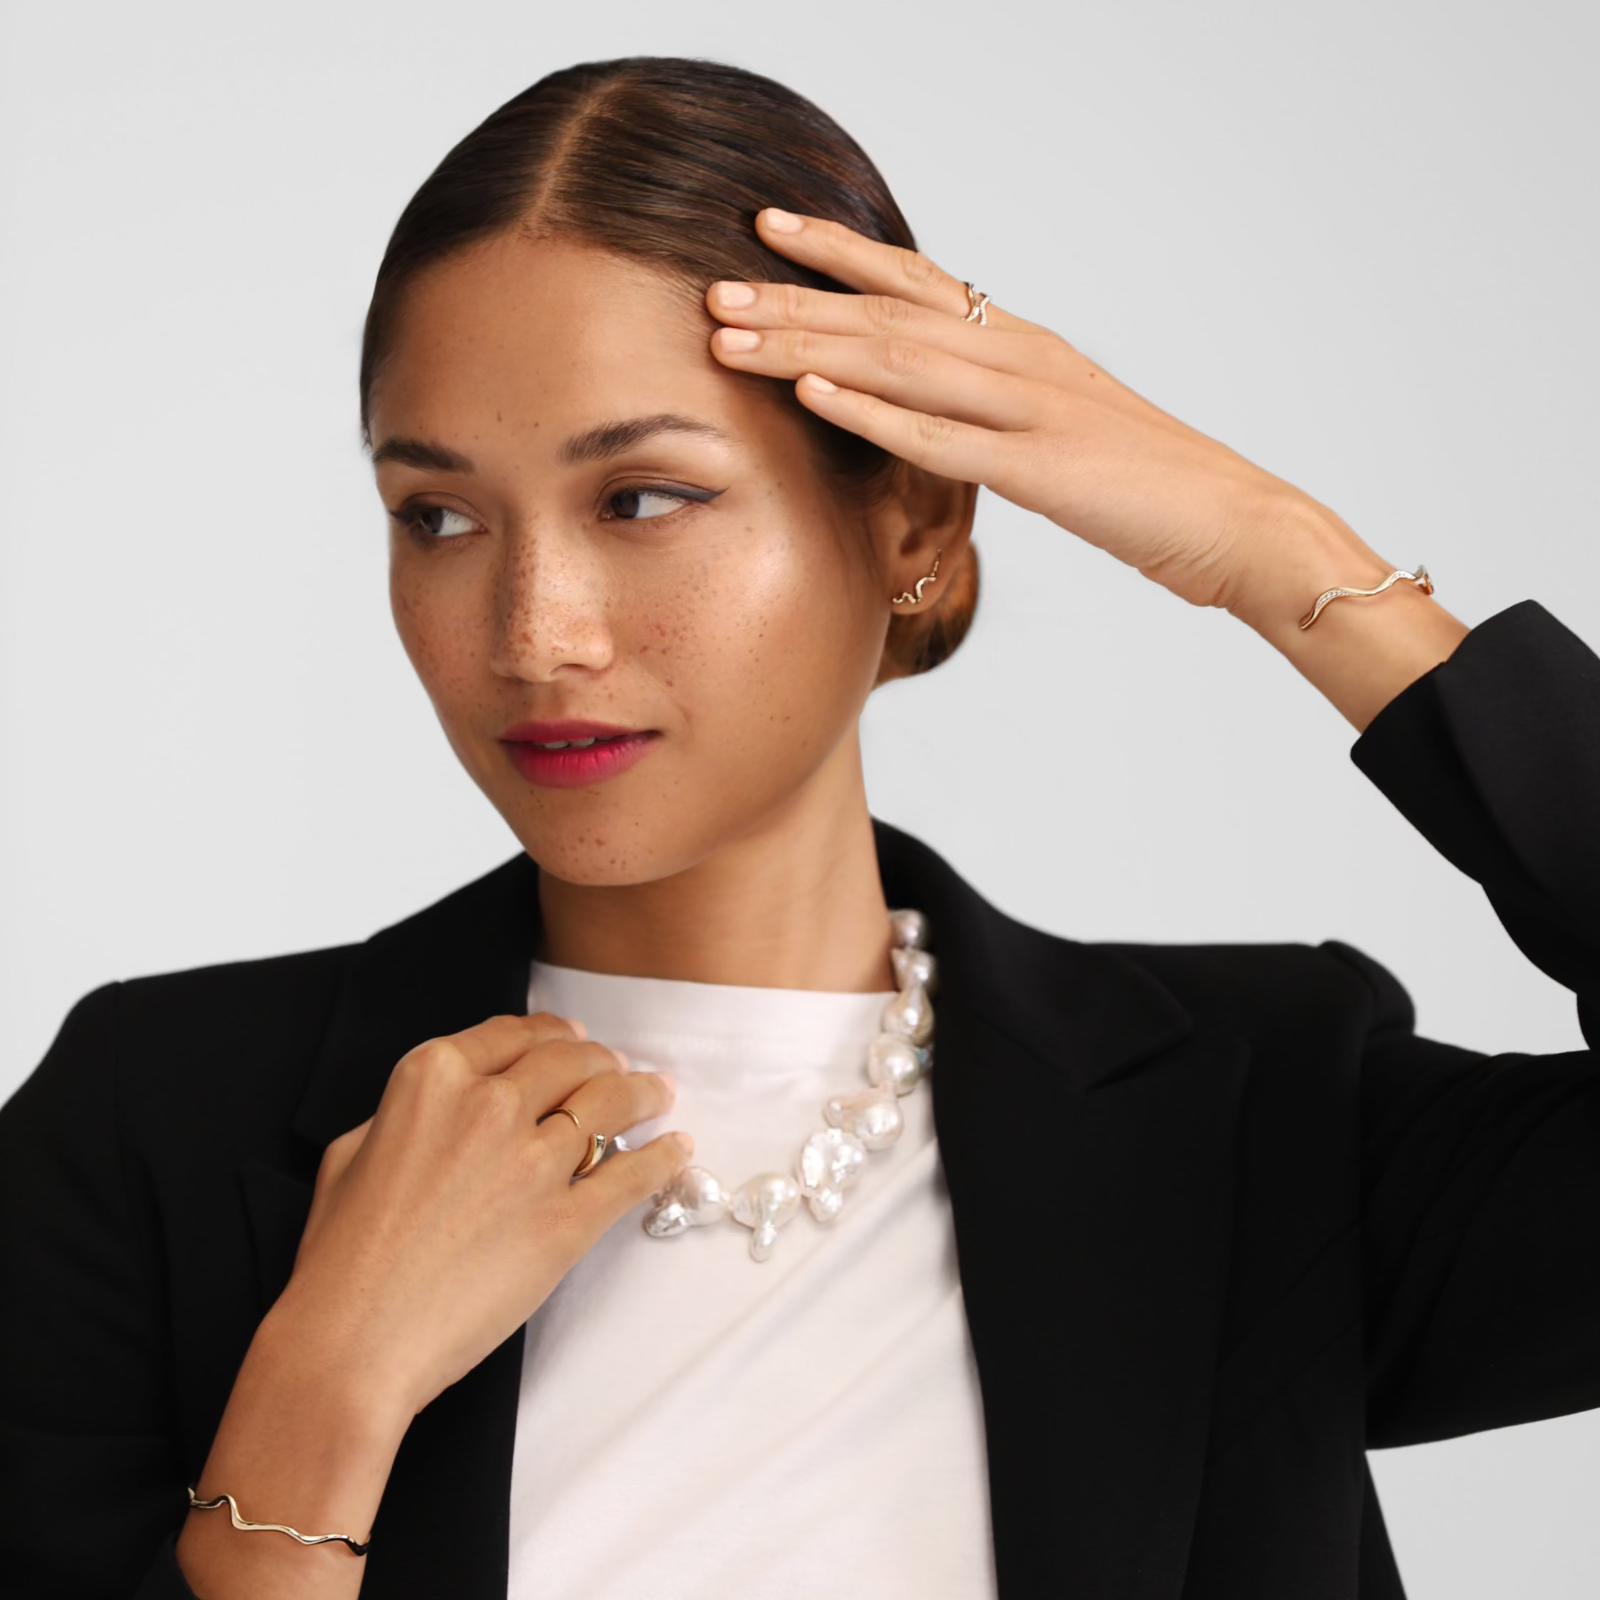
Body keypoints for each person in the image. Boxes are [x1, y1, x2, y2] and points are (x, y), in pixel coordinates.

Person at [2, 51, 1597, 1600]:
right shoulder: (157, 1129)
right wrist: (317, 1408)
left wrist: (1274, 548)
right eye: (439, 516)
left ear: (910, 515)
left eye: (640, 499)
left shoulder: (1255, 1116)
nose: (533, 630)